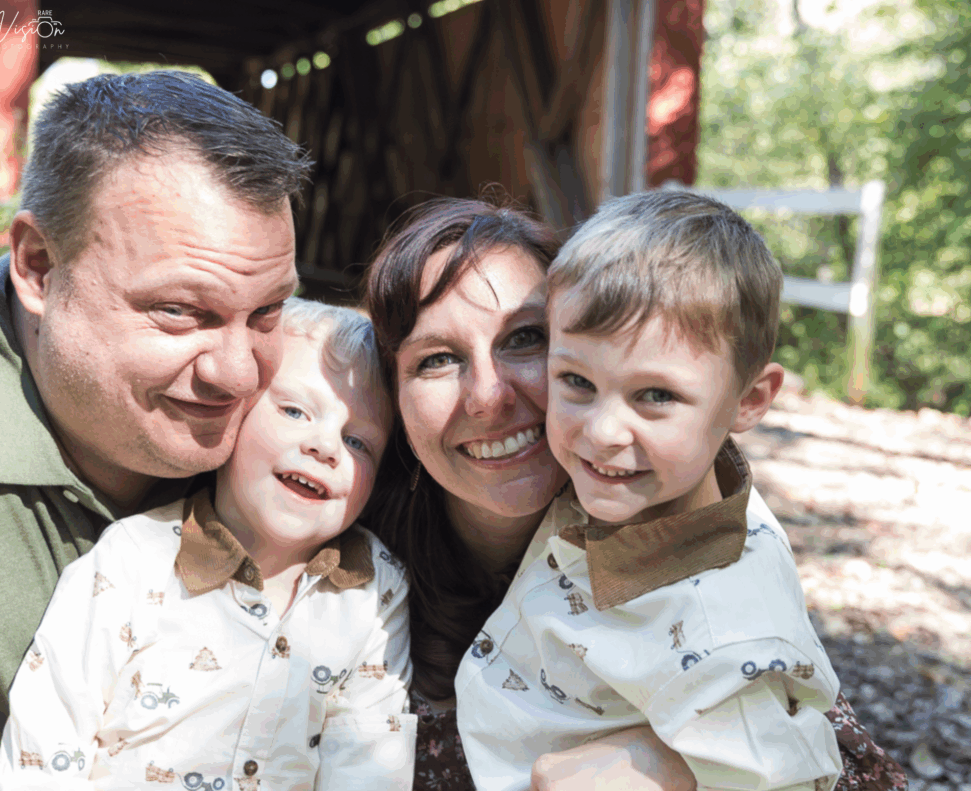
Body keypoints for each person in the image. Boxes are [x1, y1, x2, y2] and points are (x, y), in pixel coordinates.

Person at [361, 197, 908, 791]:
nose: (488, 398)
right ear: (390, 391)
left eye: (524, 338)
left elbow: (824, 758)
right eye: (438, 359)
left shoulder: (710, 559)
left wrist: (681, 768)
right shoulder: (342, 552)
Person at [0, 70, 310, 790]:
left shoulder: (314, 401)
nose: (239, 375)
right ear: (40, 267)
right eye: (182, 310)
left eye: (267, 310)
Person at [0, 299, 416, 790]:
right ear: (233, 416)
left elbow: (368, 763)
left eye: (357, 442)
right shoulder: (133, 561)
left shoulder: (374, 590)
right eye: (295, 410)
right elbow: (46, 740)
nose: (324, 446)